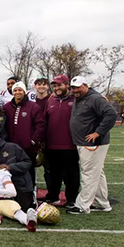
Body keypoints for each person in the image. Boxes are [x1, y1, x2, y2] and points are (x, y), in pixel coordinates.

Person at [67, 76, 118, 214]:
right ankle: (102, 203)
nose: (75, 90)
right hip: (84, 142)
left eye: (77, 87)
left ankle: (83, 205)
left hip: (92, 143)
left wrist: (97, 132)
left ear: (85, 85)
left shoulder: (95, 98)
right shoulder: (81, 98)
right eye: (72, 87)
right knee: (97, 173)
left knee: (88, 173)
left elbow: (111, 114)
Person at [43, 75, 79, 208]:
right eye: (55, 85)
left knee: (71, 174)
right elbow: (45, 119)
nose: (57, 88)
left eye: (59, 85)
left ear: (67, 85)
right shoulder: (50, 100)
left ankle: (71, 199)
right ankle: (53, 196)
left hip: (70, 144)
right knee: (53, 174)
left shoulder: (76, 100)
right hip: (51, 144)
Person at [3, 81, 45, 190]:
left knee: (29, 170)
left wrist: (33, 140)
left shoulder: (33, 107)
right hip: (12, 147)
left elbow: (40, 125)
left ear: (24, 91)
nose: (17, 92)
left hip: (28, 147)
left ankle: (31, 193)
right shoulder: (7, 107)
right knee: (12, 170)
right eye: (15, 90)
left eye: (20, 90)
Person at [0, 127, 34, 210]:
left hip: (20, 184)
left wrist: (10, 167)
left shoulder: (12, 147)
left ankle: (32, 196)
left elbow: (27, 162)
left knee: (24, 208)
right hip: (2, 188)